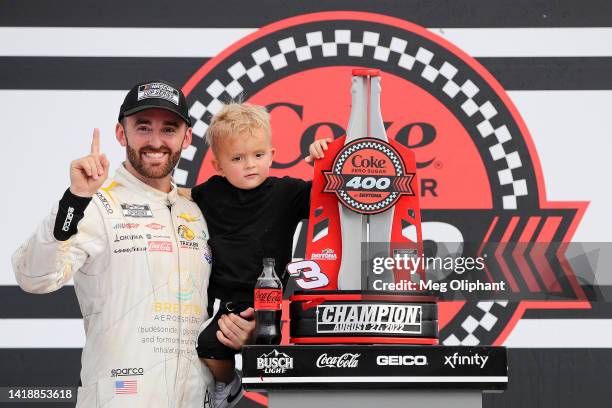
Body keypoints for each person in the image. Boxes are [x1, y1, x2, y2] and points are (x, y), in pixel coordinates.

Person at [12, 80, 254, 408]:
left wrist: (239, 333)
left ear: (186, 137)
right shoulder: (95, 204)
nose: (156, 141)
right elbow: (33, 276)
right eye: (143, 127)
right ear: (121, 133)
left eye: (169, 129)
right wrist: (74, 199)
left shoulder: (195, 211)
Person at [180, 102, 329, 408]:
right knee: (203, 346)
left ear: (272, 155)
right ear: (218, 165)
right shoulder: (211, 192)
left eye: (258, 155)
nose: (250, 164)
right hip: (219, 300)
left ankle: (232, 385)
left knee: (240, 352)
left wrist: (325, 158)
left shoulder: (287, 193)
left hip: (265, 301)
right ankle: (227, 383)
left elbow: (328, 192)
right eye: (237, 158)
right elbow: (178, 195)